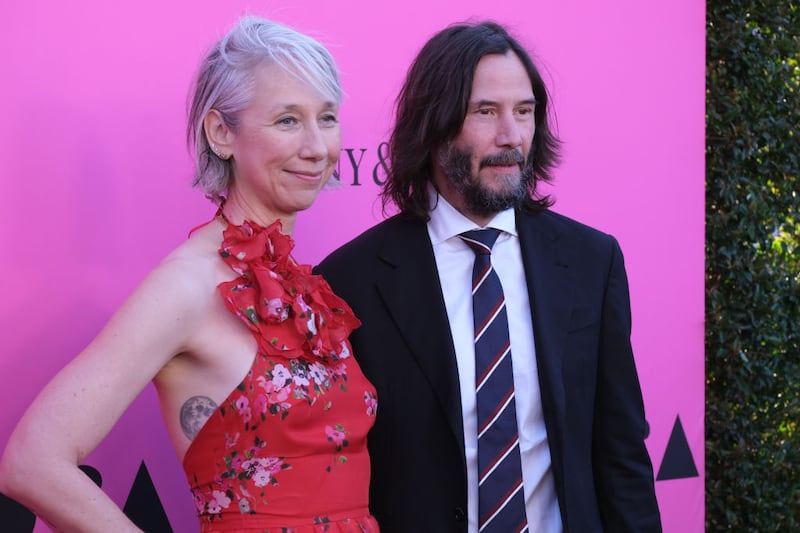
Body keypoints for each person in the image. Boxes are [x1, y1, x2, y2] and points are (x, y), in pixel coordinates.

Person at [0, 16, 379, 533]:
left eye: (328, 117)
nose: (317, 147)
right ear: (222, 132)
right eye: (288, 120)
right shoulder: (189, 284)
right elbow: (32, 462)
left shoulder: (307, 287)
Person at [316, 20, 662, 532]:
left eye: (524, 112)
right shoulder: (351, 281)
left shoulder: (592, 261)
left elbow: (621, 454)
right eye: (485, 112)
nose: (511, 136)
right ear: (433, 126)